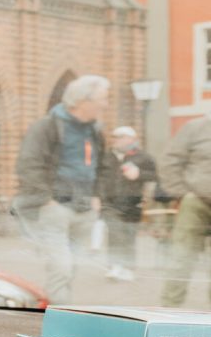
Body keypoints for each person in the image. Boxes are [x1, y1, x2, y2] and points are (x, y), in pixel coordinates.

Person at [12, 75, 113, 303]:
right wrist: (46, 199)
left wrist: (98, 196)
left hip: (85, 209)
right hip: (56, 208)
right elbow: (28, 165)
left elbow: (103, 166)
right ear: (83, 101)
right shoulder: (47, 127)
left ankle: (58, 309)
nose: (106, 105)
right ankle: (55, 315)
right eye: (102, 99)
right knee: (61, 268)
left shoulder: (95, 131)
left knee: (70, 268)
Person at [159, 113, 211, 308]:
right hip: (196, 202)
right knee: (181, 258)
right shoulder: (196, 127)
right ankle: (168, 311)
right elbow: (170, 160)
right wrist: (181, 193)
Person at [100, 126, 157, 282]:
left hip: (133, 202)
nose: (116, 140)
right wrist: (98, 197)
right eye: (115, 137)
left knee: (129, 236)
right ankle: (114, 266)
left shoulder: (143, 157)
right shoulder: (107, 156)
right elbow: (99, 177)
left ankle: (128, 268)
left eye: (121, 137)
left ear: (131, 139)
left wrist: (139, 174)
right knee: (114, 233)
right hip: (110, 202)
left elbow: (155, 175)